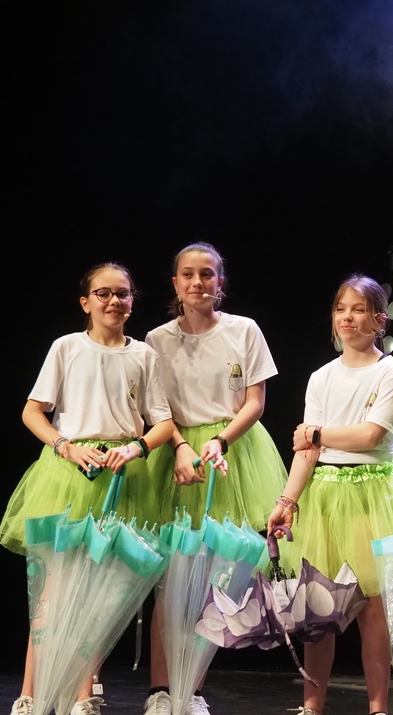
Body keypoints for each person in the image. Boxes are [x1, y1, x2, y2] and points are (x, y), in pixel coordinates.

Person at [0, 263, 175, 715]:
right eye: (103, 293)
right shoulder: (67, 347)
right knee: (53, 590)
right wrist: (65, 446)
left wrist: (135, 448)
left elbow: (162, 422)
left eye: (123, 293)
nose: (114, 301)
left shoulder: (144, 355)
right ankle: (31, 693)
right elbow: (33, 411)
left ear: (133, 300)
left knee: (100, 594)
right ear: (86, 302)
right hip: (70, 474)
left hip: (122, 478)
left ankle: (83, 694)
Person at [142, 242, 289, 715]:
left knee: (213, 581)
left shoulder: (244, 330)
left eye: (207, 274)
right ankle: (160, 691)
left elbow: (255, 402)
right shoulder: (156, 339)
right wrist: (181, 447)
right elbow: (157, 409)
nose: (198, 282)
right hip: (176, 454)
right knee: (170, 581)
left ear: (220, 282)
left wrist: (220, 441)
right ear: (175, 283)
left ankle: (191, 691)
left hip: (231, 453)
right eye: (188, 274)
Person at [268, 274, 393, 715]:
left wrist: (315, 433)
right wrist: (287, 501)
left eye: (358, 309)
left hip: (371, 492)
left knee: (372, 606)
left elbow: (370, 435)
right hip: (325, 494)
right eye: (340, 309)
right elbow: (307, 452)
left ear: (379, 320)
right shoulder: (322, 377)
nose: (347, 317)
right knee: (318, 607)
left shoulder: (392, 373)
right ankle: (312, 705)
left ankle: (378, 707)